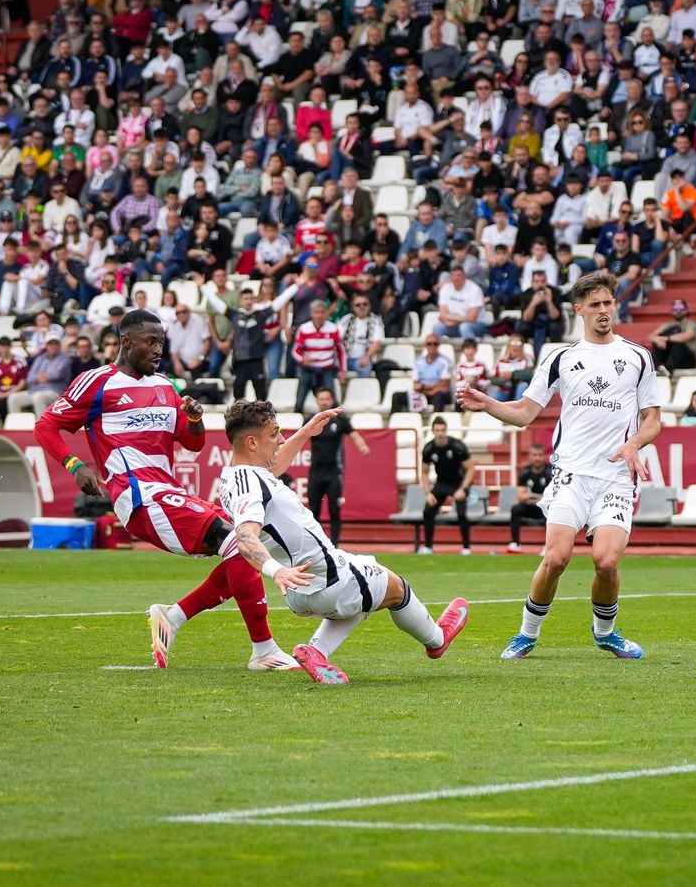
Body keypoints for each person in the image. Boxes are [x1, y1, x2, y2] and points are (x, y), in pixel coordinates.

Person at [34, 307, 298, 672]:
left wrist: (195, 419)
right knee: (239, 543)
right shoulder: (97, 381)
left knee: (247, 544)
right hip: (139, 496)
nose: (158, 349)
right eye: (150, 341)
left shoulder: (164, 385)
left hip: (167, 490)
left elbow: (193, 444)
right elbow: (46, 426)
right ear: (126, 342)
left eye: (161, 342)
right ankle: (264, 650)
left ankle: (173, 617)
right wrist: (74, 465)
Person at [457, 270, 661, 660]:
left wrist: (635, 442)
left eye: (608, 302)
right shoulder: (561, 357)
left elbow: (653, 419)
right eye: (595, 304)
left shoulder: (637, 357)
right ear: (579, 310)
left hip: (616, 477)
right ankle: (527, 633)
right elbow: (524, 412)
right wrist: (488, 404)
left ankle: (605, 633)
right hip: (571, 474)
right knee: (556, 558)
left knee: (606, 561)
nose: (604, 310)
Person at [215, 399, 469, 686]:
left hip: (301, 588)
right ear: (251, 442)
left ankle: (316, 652)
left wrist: (306, 431)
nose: (281, 439)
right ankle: (437, 640)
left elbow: (272, 467)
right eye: (274, 434)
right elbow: (245, 536)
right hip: (328, 577)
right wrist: (277, 571)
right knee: (397, 589)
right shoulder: (250, 484)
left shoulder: (236, 476)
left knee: (361, 599)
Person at [305, 386, 370, 546]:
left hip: (334, 473)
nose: (325, 402)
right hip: (315, 473)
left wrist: (362, 445)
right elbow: (299, 438)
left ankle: (334, 545)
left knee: (335, 511)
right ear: (317, 401)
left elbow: (354, 435)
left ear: (332, 400)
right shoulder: (311, 420)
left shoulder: (340, 420)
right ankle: (316, 545)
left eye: (327, 399)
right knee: (313, 512)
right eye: (322, 399)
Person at [419, 415, 476, 556]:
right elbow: (424, 473)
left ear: (446, 430)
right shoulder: (428, 448)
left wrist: (463, 489)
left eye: (443, 430)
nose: (440, 433)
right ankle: (428, 547)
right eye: (437, 430)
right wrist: (428, 493)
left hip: (458, 483)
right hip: (441, 483)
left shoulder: (457, 446)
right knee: (428, 511)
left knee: (461, 514)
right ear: (433, 431)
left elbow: (471, 468)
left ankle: (466, 548)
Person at [509, 443, 552, 553]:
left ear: (544, 456)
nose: (537, 458)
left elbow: (553, 496)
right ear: (529, 456)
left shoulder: (551, 472)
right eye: (534, 455)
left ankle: (548, 546)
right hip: (532, 507)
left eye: (540, 455)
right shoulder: (525, 472)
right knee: (516, 509)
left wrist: (531, 495)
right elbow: (521, 497)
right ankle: (515, 544)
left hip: (546, 507)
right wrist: (539, 497)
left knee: (551, 511)